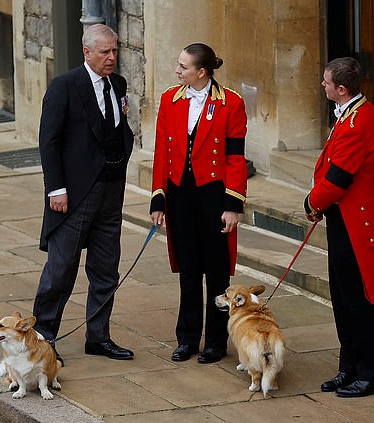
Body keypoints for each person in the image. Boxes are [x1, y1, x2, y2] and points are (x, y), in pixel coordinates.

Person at [33, 24, 135, 362]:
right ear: (87, 52)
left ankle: (98, 336)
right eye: (105, 52)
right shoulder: (64, 86)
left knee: (106, 270)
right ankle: (43, 338)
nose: (111, 58)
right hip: (74, 195)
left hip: (110, 192)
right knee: (60, 270)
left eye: (115, 51)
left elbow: (122, 130)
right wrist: (56, 189)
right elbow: (49, 141)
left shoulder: (117, 84)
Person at [149, 43, 248, 364]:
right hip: (180, 195)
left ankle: (216, 342)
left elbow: (235, 158)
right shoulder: (169, 99)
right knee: (188, 269)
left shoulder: (231, 103)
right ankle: (187, 338)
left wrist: (233, 205)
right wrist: (158, 199)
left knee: (217, 273)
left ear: (201, 72)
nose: (178, 71)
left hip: (214, 197)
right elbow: (162, 153)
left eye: (183, 67)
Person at [303, 57, 374, 397]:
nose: (322, 86)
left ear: (340, 89)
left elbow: (339, 177)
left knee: (359, 301)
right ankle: (350, 366)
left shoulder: (358, 122)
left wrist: (312, 203)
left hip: (357, 223)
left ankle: (372, 374)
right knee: (342, 298)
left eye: (326, 82)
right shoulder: (350, 112)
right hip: (343, 218)